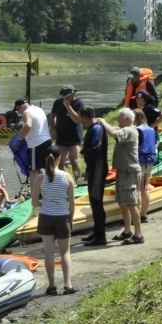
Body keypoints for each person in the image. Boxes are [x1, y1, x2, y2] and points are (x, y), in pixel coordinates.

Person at [31, 145, 78, 296]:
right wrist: (70, 220)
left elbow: (34, 202)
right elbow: (72, 203)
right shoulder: (67, 177)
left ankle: (51, 286)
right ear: (59, 159)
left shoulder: (39, 178)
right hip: (62, 216)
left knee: (49, 252)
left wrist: (46, 203)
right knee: (65, 252)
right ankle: (68, 285)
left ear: (46, 159)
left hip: (45, 216)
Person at [97, 108, 143, 245]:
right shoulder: (128, 129)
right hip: (123, 172)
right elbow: (115, 129)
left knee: (131, 204)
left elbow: (114, 133)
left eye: (120, 118)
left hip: (129, 172)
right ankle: (127, 231)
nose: (118, 120)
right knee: (123, 203)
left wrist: (104, 122)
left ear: (127, 119)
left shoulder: (129, 130)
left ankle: (138, 234)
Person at [79, 107, 109, 246]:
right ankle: (96, 232)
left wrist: (83, 152)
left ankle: (101, 236)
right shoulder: (93, 128)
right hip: (93, 168)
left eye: (81, 119)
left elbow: (97, 147)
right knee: (93, 201)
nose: (81, 122)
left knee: (97, 202)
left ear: (85, 118)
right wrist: (87, 169)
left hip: (98, 169)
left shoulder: (97, 128)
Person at [13, 98, 52, 187]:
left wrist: (19, 140)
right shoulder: (39, 109)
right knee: (47, 167)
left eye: (18, 110)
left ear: (21, 106)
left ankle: (34, 194)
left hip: (35, 144)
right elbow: (36, 123)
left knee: (33, 170)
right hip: (47, 140)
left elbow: (28, 125)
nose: (19, 112)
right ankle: (49, 188)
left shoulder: (26, 112)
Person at [49, 85, 85, 182]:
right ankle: (63, 181)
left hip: (74, 136)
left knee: (75, 161)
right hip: (61, 136)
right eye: (63, 95)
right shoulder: (57, 102)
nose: (65, 98)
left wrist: (68, 106)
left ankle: (78, 179)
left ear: (73, 93)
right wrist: (53, 129)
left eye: (67, 95)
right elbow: (52, 116)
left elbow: (77, 120)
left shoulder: (79, 103)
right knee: (59, 161)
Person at [134, 109, 159, 223]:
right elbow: (156, 144)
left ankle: (136, 217)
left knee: (136, 190)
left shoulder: (137, 130)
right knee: (144, 189)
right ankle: (143, 215)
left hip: (140, 162)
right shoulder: (152, 130)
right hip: (150, 161)